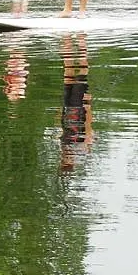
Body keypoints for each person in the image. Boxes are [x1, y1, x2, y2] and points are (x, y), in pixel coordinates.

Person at [59, 33, 93, 173]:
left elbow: (62, 126)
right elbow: (88, 127)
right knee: (82, 72)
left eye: (63, 161)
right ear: (72, 163)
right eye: (67, 161)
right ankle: (82, 41)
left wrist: (60, 110)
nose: (66, 158)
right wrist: (88, 106)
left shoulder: (62, 146)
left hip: (67, 106)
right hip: (79, 106)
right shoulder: (82, 147)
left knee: (68, 72)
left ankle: (67, 40)